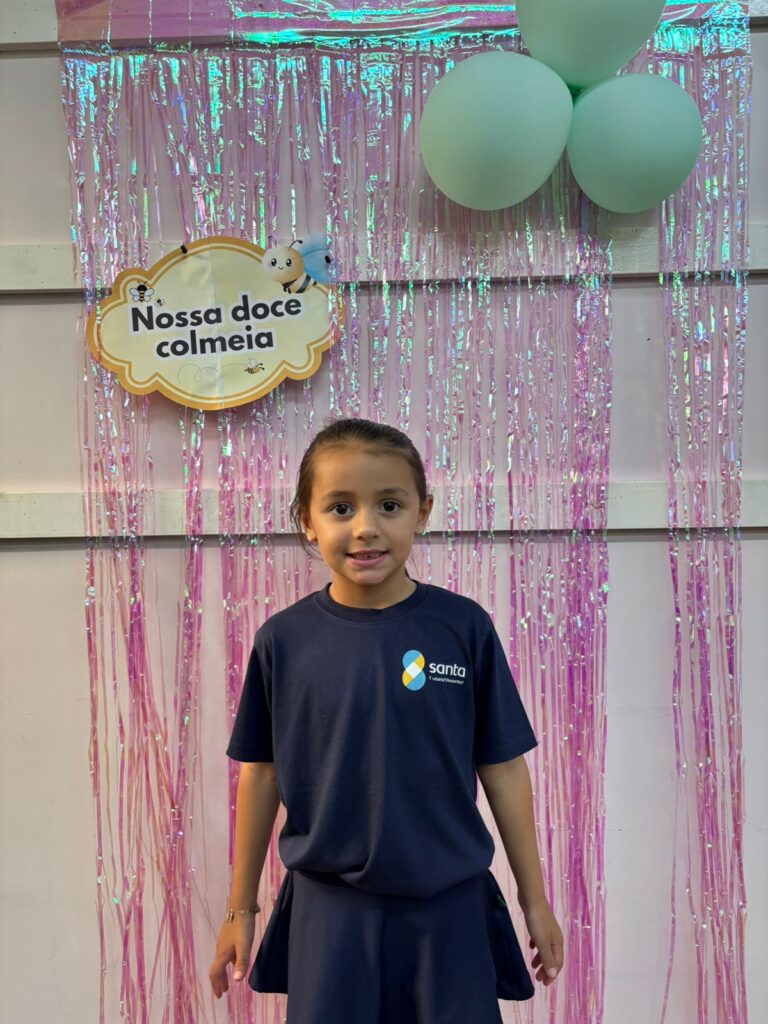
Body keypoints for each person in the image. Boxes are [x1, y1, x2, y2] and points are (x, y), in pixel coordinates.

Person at [208, 417, 563, 1022]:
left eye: (389, 505)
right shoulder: (283, 642)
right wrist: (240, 910)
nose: (366, 527)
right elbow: (260, 774)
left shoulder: (463, 629)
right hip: (330, 914)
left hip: (449, 910)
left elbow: (503, 769)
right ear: (306, 519)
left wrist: (536, 902)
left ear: (422, 513)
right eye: (340, 507)